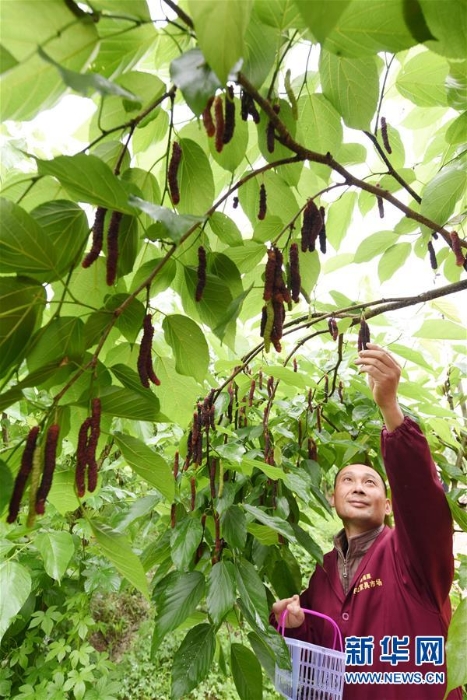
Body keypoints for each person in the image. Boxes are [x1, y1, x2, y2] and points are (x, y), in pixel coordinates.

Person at [271, 344, 461, 699]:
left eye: (370, 482)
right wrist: (294, 625)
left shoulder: (411, 553)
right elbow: (321, 655)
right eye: (348, 480)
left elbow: (422, 501)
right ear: (332, 499)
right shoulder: (324, 572)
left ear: (389, 505)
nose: (358, 487)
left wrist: (390, 407)